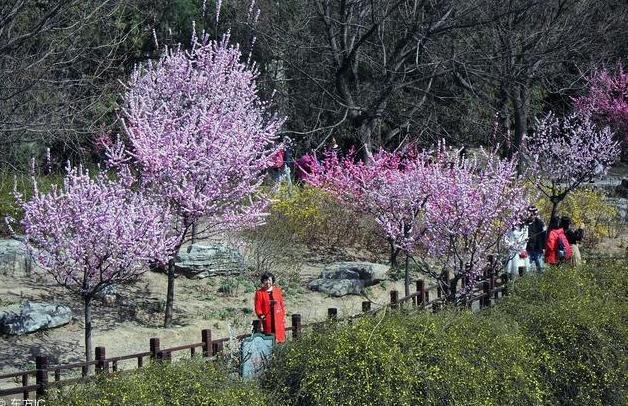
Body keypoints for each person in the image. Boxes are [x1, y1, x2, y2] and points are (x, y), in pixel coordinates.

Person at [254, 272, 286, 343]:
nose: (267, 282)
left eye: (269, 280)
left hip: (278, 317)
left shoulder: (277, 290)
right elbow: (257, 306)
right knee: (269, 337)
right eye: (265, 280)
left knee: (280, 338)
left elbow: (281, 304)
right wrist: (260, 315)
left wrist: (283, 316)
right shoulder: (259, 293)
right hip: (267, 318)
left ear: (272, 281)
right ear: (263, 281)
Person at [525, 206, 546, 272]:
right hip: (528, 247)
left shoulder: (540, 223)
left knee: (540, 266)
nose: (532, 215)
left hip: (538, 247)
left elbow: (543, 236)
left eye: (534, 214)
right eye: (530, 213)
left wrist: (543, 247)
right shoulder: (525, 223)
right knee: (528, 266)